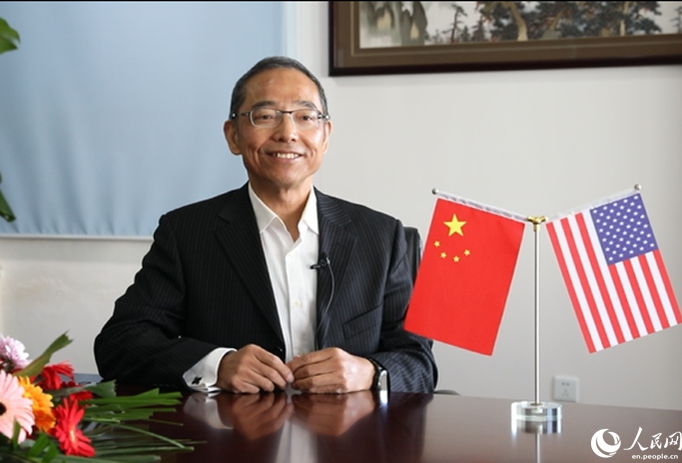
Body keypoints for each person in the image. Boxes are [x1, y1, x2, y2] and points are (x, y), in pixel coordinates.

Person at [94, 56, 437, 394]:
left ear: (325, 136)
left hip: (348, 429)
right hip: (233, 428)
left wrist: (370, 372)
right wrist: (217, 365)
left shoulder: (382, 236)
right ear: (233, 136)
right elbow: (120, 343)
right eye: (266, 116)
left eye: (305, 117)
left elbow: (418, 361)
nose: (288, 133)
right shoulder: (187, 233)